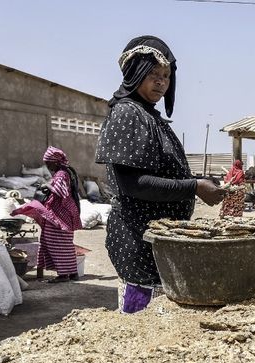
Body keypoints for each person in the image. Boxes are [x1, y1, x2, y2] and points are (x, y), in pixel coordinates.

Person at [95, 35, 225, 313]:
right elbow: (133, 183)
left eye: (166, 76)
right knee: (139, 321)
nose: (161, 82)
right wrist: (194, 187)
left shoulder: (149, 116)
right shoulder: (128, 113)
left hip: (154, 241)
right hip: (137, 242)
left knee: (156, 323)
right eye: (153, 74)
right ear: (134, 72)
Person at [12, 147, 82, 283]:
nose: (47, 166)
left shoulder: (62, 174)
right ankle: (72, 273)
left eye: (48, 163)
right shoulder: (65, 172)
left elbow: (61, 193)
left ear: (55, 162)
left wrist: (47, 186)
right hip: (63, 213)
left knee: (55, 242)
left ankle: (63, 275)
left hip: (60, 214)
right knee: (65, 243)